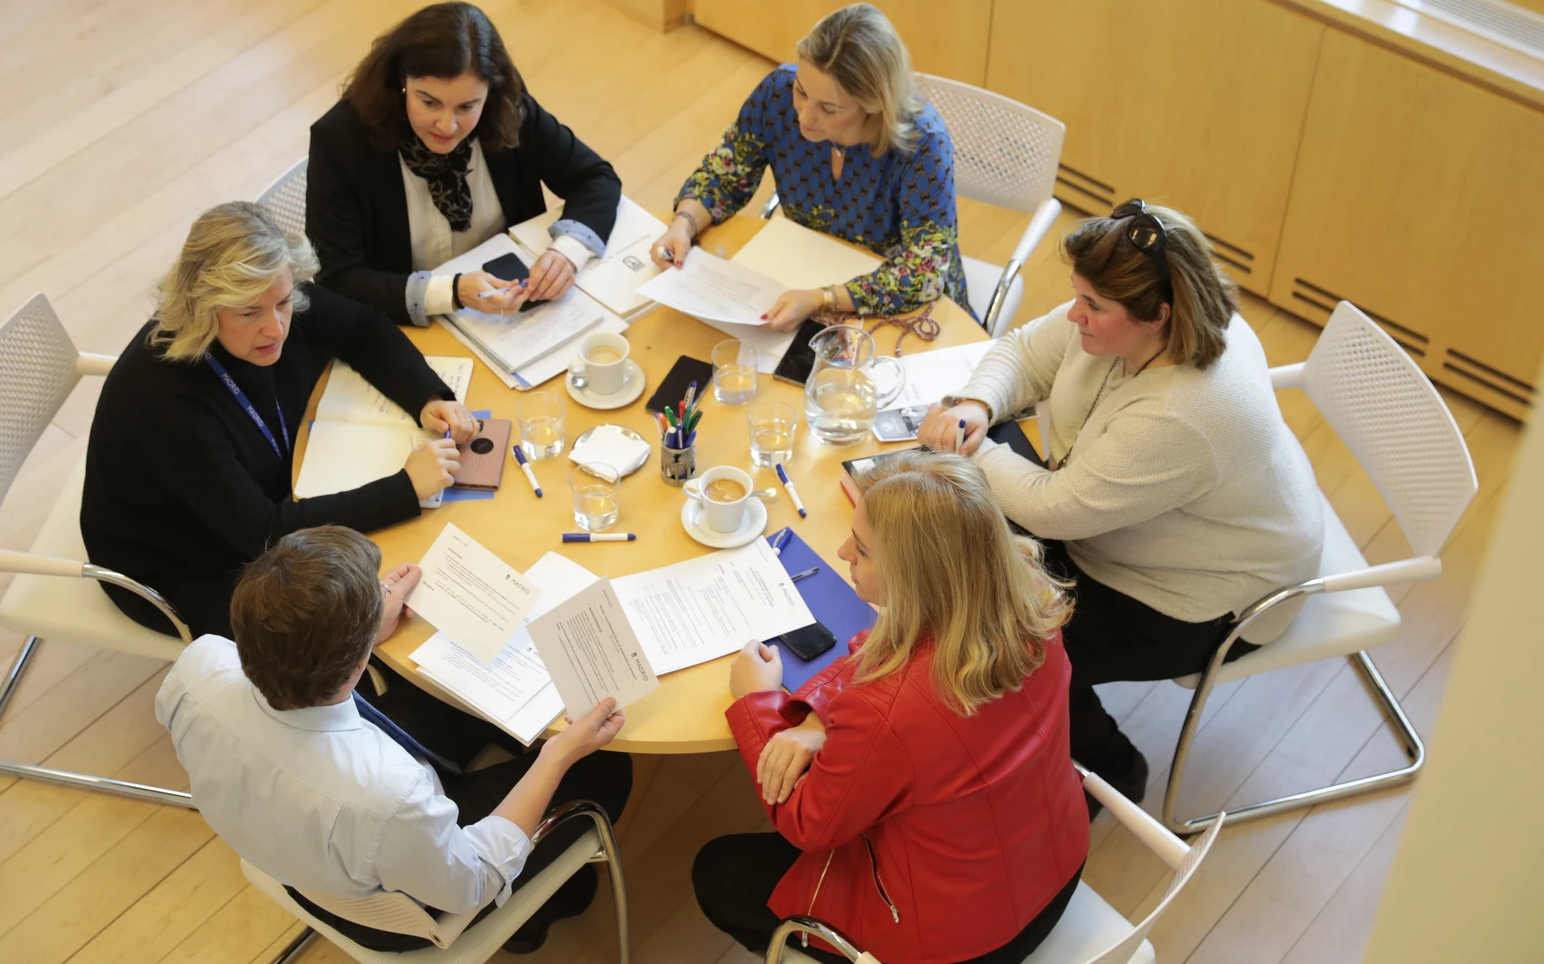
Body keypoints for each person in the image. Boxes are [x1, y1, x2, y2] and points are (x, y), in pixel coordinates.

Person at [917, 200, 1325, 803]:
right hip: (1128, 519)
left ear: (1157, 316)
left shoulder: (1184, 412)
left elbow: (1054, 508)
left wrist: (965, 448)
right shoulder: (1132, 315)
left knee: (1010, 641)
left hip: (1211, 597)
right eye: (1077, 296)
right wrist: (975, 408)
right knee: (970, 527)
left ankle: (1110, 769)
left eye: (1092, 307)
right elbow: (1025, 351)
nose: (1074, 315)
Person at [157, 526, 633, 954]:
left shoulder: (199, 664)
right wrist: (556, 756)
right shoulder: (391, 795)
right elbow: (474, 880)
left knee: (457, 694)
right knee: (608, 768)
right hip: (392, 913)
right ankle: (536, 916)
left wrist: (360, 635)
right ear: (357, 664)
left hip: (297, 847)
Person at [693, 452, 1086, 964]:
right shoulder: (1029, 596)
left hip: (962, 946)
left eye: (861, 550)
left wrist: (757, 702)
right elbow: (890, 645)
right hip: (1057, 861)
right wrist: (817, 721)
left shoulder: (888, 713)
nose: (841, 552)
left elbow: (809, 825)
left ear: (916, 576)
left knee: (716, 872)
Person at [82, 201, 477, 640]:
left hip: (267, 497)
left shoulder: (269, 292)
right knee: (361, 631)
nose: (276, 329)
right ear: (202, 306)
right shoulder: (165, 400)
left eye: (284, 302)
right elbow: (261, 533)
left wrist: (425, 396)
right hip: (188, 565)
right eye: (250, 313)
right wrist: (404, 488)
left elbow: (362, 328)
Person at [649, 3, 966, 329]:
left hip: (895, 300)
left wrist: (823, 298)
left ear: (874, 105)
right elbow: (724, 176)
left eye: (829, 108)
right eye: (802, 91)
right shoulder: (777, 94)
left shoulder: (921, 142)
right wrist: (683, 224)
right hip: (802, 267)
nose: (804, 116)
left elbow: (923, 273)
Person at [308, 1, 621, 326]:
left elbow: (595, 178)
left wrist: (567, 253)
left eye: (467, 107)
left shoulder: (509, 109)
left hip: (511, 315)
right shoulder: (341, 141)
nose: (447, 126)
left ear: (490, 94)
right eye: (429, 102)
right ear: (403, 81)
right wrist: (451, 292)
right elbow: (337, 278)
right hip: (401, 322)